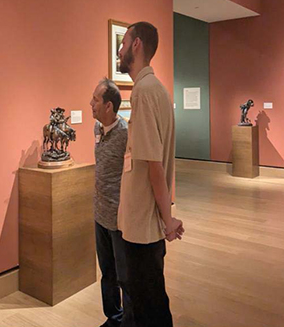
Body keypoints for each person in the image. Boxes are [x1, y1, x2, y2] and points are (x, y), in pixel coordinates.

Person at [116, 21, 184, 327]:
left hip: (143, 223)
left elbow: (153, 165)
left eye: (123, 42)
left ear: (136, 45)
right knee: (150, 297)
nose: (120, 49)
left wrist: (166, 219)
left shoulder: (143, 92)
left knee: (147, 304)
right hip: (146, 220)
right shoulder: (156, 89)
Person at [91, 78, 128, 327]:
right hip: (99, 213)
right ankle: (114, 318)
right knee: (107, 272)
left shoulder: (125, 133)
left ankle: (130, 320)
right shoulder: (96, 128)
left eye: (95, 100)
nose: (90, 104)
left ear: (109, 106)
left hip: (118, 216)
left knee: (124, 275)